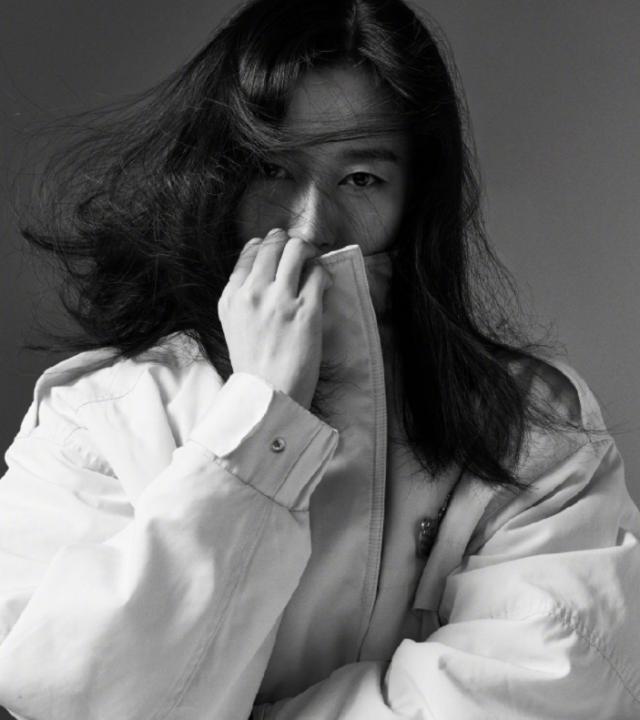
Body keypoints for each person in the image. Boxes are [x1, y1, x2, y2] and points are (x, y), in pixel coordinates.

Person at [1, 0, 639, 717]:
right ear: (218, 175)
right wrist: (262, 418)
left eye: (361, 178)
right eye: (273, 169)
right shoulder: (100, 416)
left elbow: (546, 690)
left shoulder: (527, 427)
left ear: (416, 197)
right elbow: (71, 694)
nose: (308, 226)